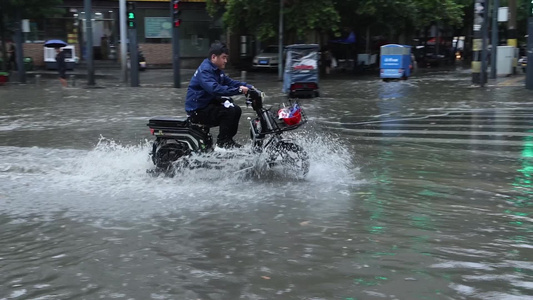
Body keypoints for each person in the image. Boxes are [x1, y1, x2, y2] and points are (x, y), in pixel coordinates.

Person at [185, 42, 253, 149]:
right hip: (197, 110)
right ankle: (223, 143)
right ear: (213, 57)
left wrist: (249, 87)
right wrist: (239, 90)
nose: (226, 61)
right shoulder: (205, 70)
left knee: (236, 109)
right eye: (223, 58)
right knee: (228, 111)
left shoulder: (216, 70)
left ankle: (228, 140)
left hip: (207, 105)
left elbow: (230, 82)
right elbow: (215, 89)